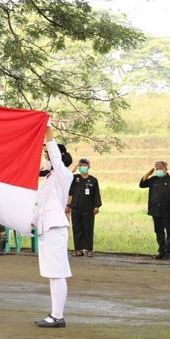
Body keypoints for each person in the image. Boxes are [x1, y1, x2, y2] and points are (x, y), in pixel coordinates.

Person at [32, 127, 73, 328]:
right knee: (52, 273)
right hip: (47, 228)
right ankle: (55, 313)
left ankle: (58, 316)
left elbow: (55, 156)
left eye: (47, 155)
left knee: (57, 273)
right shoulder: (49, 179)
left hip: (55, 227)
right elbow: (41, 206)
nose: (46, 158)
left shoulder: (63, 175)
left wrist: (48, 133)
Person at [139, 161, 170, 260]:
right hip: (155, 210)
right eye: (157, 168)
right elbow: (142, 184)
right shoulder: (153, 179)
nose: (158, 169)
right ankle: (162, 251)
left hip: (168, 211)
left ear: (166, 168)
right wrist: (148, 174)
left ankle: (169, 253)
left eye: (160, 167)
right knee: (159, 231)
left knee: (169, 232)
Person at [67, 158, 102, 257]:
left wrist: (96, 206)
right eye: (81, 165)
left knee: (88, 229)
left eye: (85, 165)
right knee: (77, 229)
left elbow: (96, 194)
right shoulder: (74, 178)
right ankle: (78, 250)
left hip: (88, 209)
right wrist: (75, 167)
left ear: (88, 167)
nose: (83, 167)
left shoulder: (93, 180)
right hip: (76, 207)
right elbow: (67, 177)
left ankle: (89, 250)